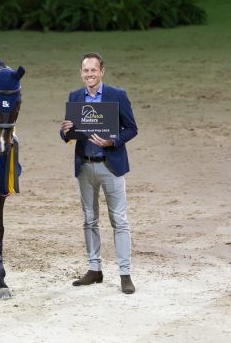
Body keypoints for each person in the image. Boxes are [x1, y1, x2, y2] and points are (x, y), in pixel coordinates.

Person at [60, 52, 138, 294]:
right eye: (85, 71)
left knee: (119, 220)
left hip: (110, 165)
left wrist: (111, 141)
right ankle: (94, 269)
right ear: (81, 73)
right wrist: (64, 131)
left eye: (93, 70)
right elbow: (69, 134)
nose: (89, 75)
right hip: (85, 165)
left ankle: (125, 273)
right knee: (89, 219)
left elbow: (131, 128)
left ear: (102, 71)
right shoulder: (75, 96)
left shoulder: (117, 95)